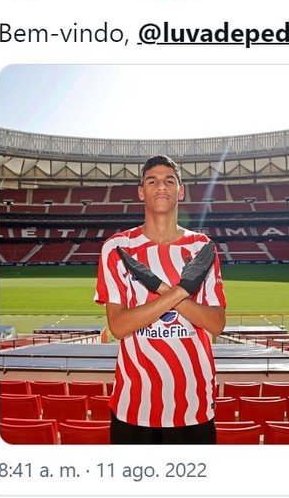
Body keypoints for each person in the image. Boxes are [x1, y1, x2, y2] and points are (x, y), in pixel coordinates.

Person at [94, 154, 227, 444]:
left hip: (193, 404)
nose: (161, 187)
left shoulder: (202, 247)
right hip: (134, 406)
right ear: (141, 192)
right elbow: (118, 327)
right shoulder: (116, 248)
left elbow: (216, 324)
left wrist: (160, 288)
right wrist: (181, 289)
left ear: (181, 190)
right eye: (152, 181)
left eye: (169, 180)